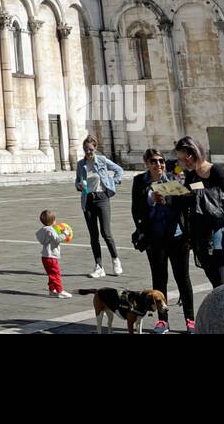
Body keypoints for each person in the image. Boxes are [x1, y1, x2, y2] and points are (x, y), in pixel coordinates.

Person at [131, 148, 195, 334]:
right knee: (159, 280)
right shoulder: (139, 181)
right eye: (153, 161)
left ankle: (190, 320)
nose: (158, 164)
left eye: (161, 161)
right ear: (147, 163)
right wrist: (144, 225)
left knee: (183, 279)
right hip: (155, 237)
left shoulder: (174, 180)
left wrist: (167, 200)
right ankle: (162, 320)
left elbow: (184, 206)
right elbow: (136, 208)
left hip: (177, 236)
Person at [172, 136, 224, 288]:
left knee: (220, 278)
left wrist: (203, 195)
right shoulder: (191, 175)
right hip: (199, 233)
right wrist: (172, 196)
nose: (182, 163)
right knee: (211, 275)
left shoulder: (215, 170)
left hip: (218, 229)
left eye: (183, 159)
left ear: (192, 154)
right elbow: (188, 203)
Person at [75, 135, 124, 278]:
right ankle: (99, 266)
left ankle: (116, 260)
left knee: (106, 233)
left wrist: (112, 182)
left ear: (95, 148)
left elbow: (118, 170)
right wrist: (78, 185)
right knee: (93, 236)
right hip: (87, 199)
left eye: (90, 149)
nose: (88, 152)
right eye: (85, 150)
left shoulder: (101, 160)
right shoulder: (80, 164)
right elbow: (78, 181)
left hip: (102, 198)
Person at [36, 209, 71, 299]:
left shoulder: (43, 230)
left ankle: (52, 290)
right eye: (54, 219)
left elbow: (39, 236)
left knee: (51, 274)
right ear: (52, 221)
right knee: (56, 274)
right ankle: (60, 291)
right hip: (51, 256)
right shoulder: (50, 231)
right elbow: (57, 240)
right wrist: (65, 234)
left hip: (45, 256)